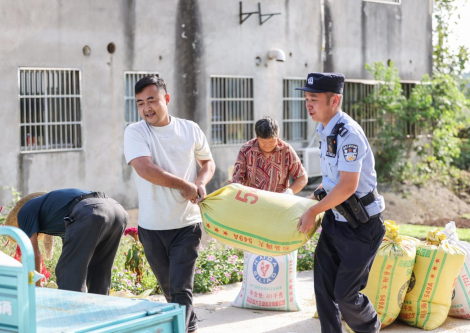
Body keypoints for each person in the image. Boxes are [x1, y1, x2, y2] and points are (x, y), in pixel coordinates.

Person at [124, 75, 215, 333]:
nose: (146, 108)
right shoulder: (135, 131)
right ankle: (190, 326)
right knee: (170, 292)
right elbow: (145, 168)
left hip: (187, 224)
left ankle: (182, 329)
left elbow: (208, 163)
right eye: (140, 103)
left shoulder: (190, 129)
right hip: (151, 228)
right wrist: (183, 185)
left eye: (151, 100)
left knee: (180, 289)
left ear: (166, 98)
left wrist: (200, 182)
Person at [296, 73, 386, 333]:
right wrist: (307, 202)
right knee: (323, 289)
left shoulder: (348, 134)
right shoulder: (325, 130)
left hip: (362, 227)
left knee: (346, 295)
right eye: (306, 99)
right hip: (337, 222)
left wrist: (313, 211)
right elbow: (331, 181)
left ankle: (370, 327)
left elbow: (348, 185)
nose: (308, 105)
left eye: (313, 99)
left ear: (334, 100)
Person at [5, 189, 128, 294]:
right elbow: (73, 254)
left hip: (90, 210)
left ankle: (70, 315)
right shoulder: (58, 212)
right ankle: (99, 313)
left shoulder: (24, 212)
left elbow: (33, 254)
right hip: (117, 211)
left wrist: (36, 287)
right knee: (99, 269)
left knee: (68, 271)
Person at [231, 116, 308, 194]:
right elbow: (236, 180)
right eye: (263, 142)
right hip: (252, 201)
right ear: (257, 138)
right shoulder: (246, 150)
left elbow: (302, 177)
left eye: (271, 141)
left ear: (277, 137)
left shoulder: (286, 150)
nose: (267, 145)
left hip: (278, 201)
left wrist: (289, 192)